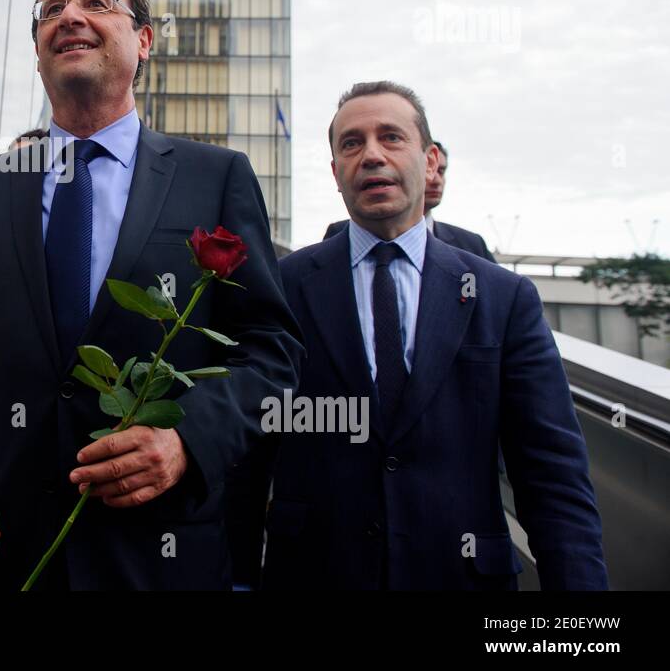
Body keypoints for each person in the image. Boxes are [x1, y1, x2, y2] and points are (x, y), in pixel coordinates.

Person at [0, 0, 302, 590]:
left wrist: (186, 441)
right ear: (38, 51)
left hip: (155, 553)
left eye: (95, 3)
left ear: (143, 40)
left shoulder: (217, 176)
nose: (70, 18)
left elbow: (272, 350)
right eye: (52, 10)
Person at [240, 81, 606, 589]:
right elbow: (249, 449)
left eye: (391, 138)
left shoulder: (503, 298)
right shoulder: (284, 286)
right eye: (351, 143)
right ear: (335, 173)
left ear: (430, 161)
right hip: (314, 574)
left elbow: (552, 474)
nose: (370, 155)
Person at [325, 141, 494, 261]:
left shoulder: (471, 245)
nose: (436, 180)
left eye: (441, 171)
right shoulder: (339, 233)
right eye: (429, 169)